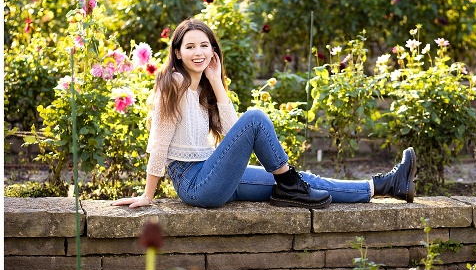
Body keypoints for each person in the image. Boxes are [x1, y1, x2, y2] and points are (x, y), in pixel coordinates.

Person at [112, 18, 417, 210]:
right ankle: (288, 183)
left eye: (204, 45)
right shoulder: (173, 84)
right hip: (195, 184)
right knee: (256, 119)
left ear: (213, 51)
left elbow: (232, 134)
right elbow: (158, 141)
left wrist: (217, 82)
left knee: (303, 181)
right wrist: (147, 196)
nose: (198, 52)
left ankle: (386, 186)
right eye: (190, 46)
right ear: (177, 52)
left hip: (214, 174)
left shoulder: (205, 89)